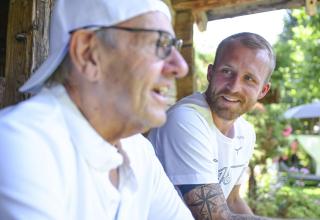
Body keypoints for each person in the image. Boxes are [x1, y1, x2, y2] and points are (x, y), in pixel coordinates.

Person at [0, 0, 194, 219]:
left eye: (173, 45)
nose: (181, 66)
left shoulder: (138, 150)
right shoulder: (21, 142)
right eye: (159, 44)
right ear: (88, 54)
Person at [149, 32, 276, 219]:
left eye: (249, 78)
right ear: (210, 73)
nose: (233, 87)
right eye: (227, 71)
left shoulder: (246, 133)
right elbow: (216, 217)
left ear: (263, 91)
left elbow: (232, 201)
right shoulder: (186, 119)